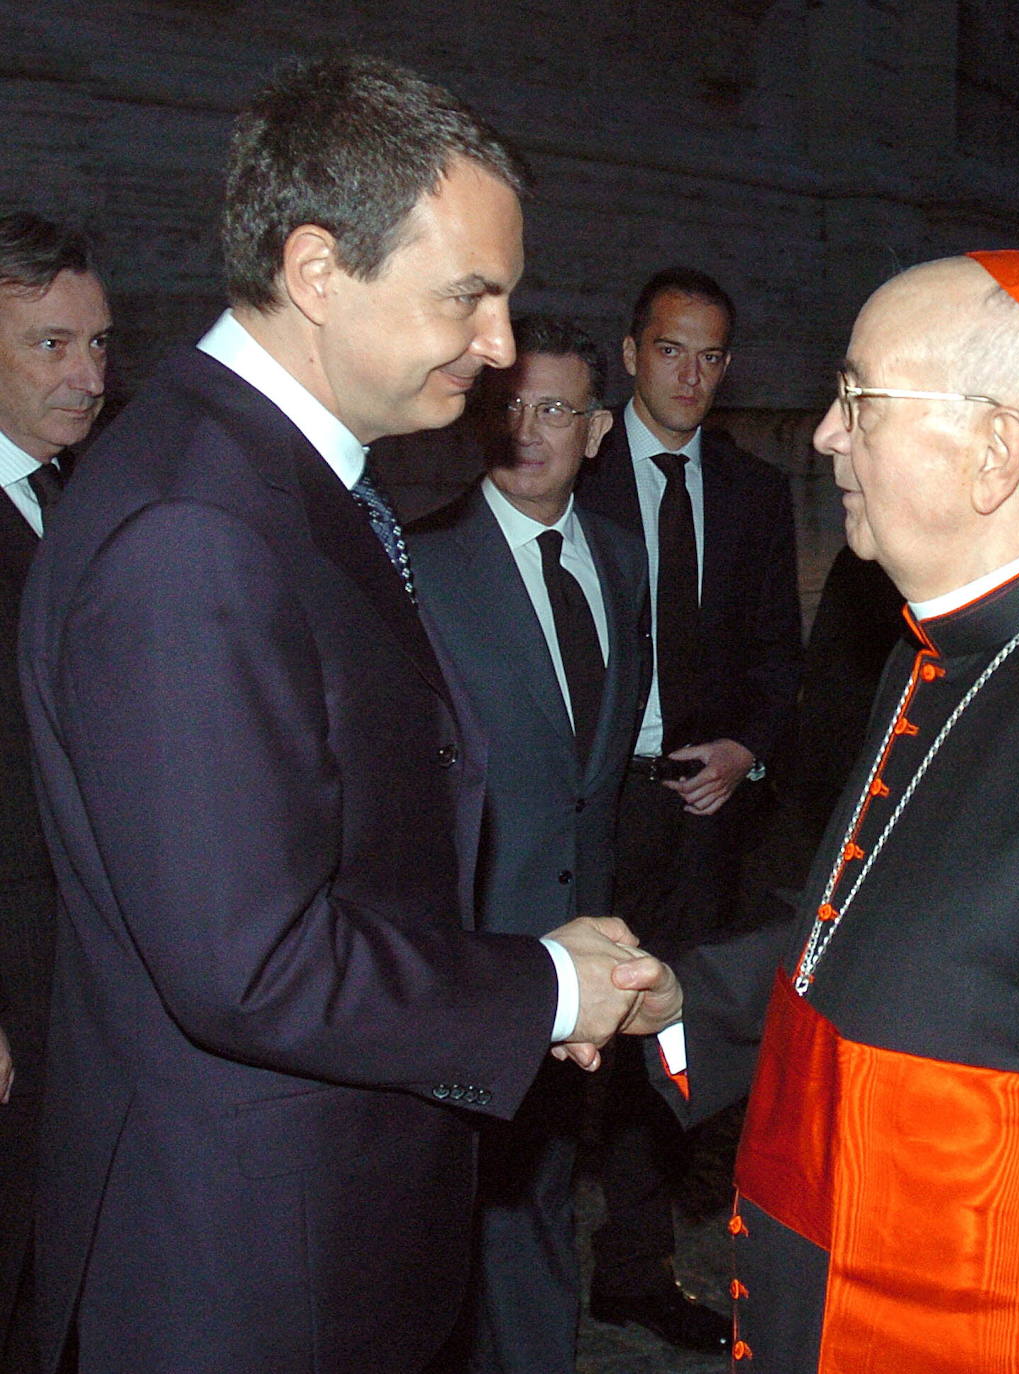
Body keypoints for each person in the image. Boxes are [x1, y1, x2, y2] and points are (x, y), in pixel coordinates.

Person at [18, 55, 666, 1374]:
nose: (497, 347)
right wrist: (542, 981)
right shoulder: (192, 528)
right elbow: (248, 957)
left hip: (316, 1222)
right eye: (468, 297)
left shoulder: (267, 473)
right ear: (317, 269)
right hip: (245, 1266)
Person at [624, 250, 1019, 1371]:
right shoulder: (943, 645)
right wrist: (676, 994)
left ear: (993, 452)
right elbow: (878, 927)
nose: (825, 434)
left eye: (857, 397)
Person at [407, 314, 648, 1374]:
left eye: (556, 408)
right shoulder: (422, 564)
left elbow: (600, 770)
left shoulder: (622, 562)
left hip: (583, 947)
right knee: (457, 1209)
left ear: (597, 430)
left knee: (544, 1193)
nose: (530, 429)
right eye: (511, 405)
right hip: (472, 953)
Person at [574, 267, 800, 1352]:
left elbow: (776, 656)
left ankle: (632, 1265)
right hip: (589, 808)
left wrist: (746, 748)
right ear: (630, 353)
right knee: (561, 1035)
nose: (692, 375)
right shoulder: (566, 466)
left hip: (701, 813)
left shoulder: (755, 493)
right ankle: (515, 1260)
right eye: (672, 350)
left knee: (667, 1043)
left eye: (711, 356)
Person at [0, 211, 110, 1372]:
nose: (86, 374)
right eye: (50, 346)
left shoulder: (73, 497)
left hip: (71, 972)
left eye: (98, 344)